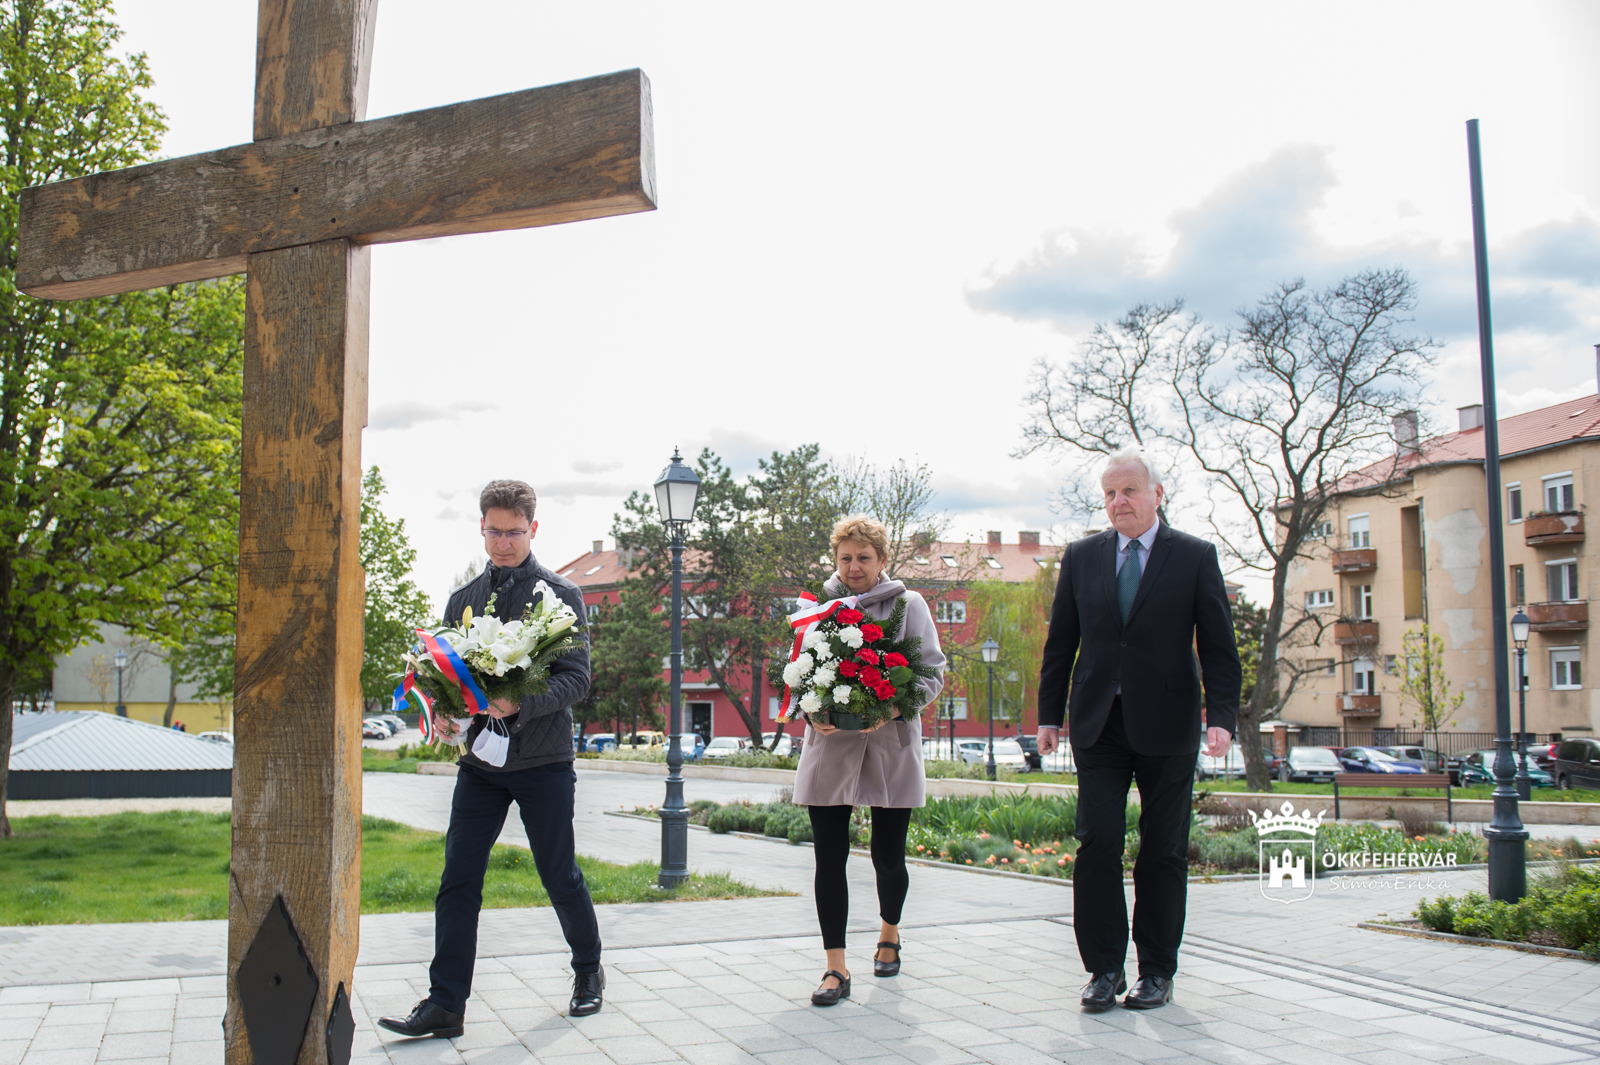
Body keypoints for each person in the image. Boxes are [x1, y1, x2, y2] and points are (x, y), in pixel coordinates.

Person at [379, 479, 603, 1040]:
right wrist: (450, 715)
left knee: (558, 873)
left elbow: (576, 679)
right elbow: (448, 679)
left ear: (534, 528)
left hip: (544, 762)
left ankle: (587, 971)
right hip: (480, 766)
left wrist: (518, 703)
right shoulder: (463, 601)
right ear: (481, 528)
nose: (502, 543)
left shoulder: (560, 595)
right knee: (458, 879)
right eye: (493, 532)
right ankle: (445, 1004)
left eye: (513, 532)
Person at [1036, 448, 1240, 1011]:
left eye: (1128, 490)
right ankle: (1103, 969)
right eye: (1108, 494)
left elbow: (1220, 647)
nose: (1117, 502)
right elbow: (1062, 645)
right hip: (1098, 722)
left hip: (1169, 724)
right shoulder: (1082, 556)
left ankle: (1156, 970)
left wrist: (1222, 718)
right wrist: (1049, 716)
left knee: (1163, 851)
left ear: (1157, 495)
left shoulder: (1195, 556)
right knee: (1097, 842)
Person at [792, 515, 946, 1006]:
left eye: (864, 558)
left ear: (882, 560)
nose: (854, 567)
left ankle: (889, 933)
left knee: (887, 855)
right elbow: (797, 670)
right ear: (835, 560)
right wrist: (811, 711)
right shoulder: (818, 606)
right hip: (831, 747)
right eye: (846, 558)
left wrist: (892, 706)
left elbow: (933, 673)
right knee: (828, 858)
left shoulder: (908, 604)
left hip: (889, 746)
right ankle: (835, 968)